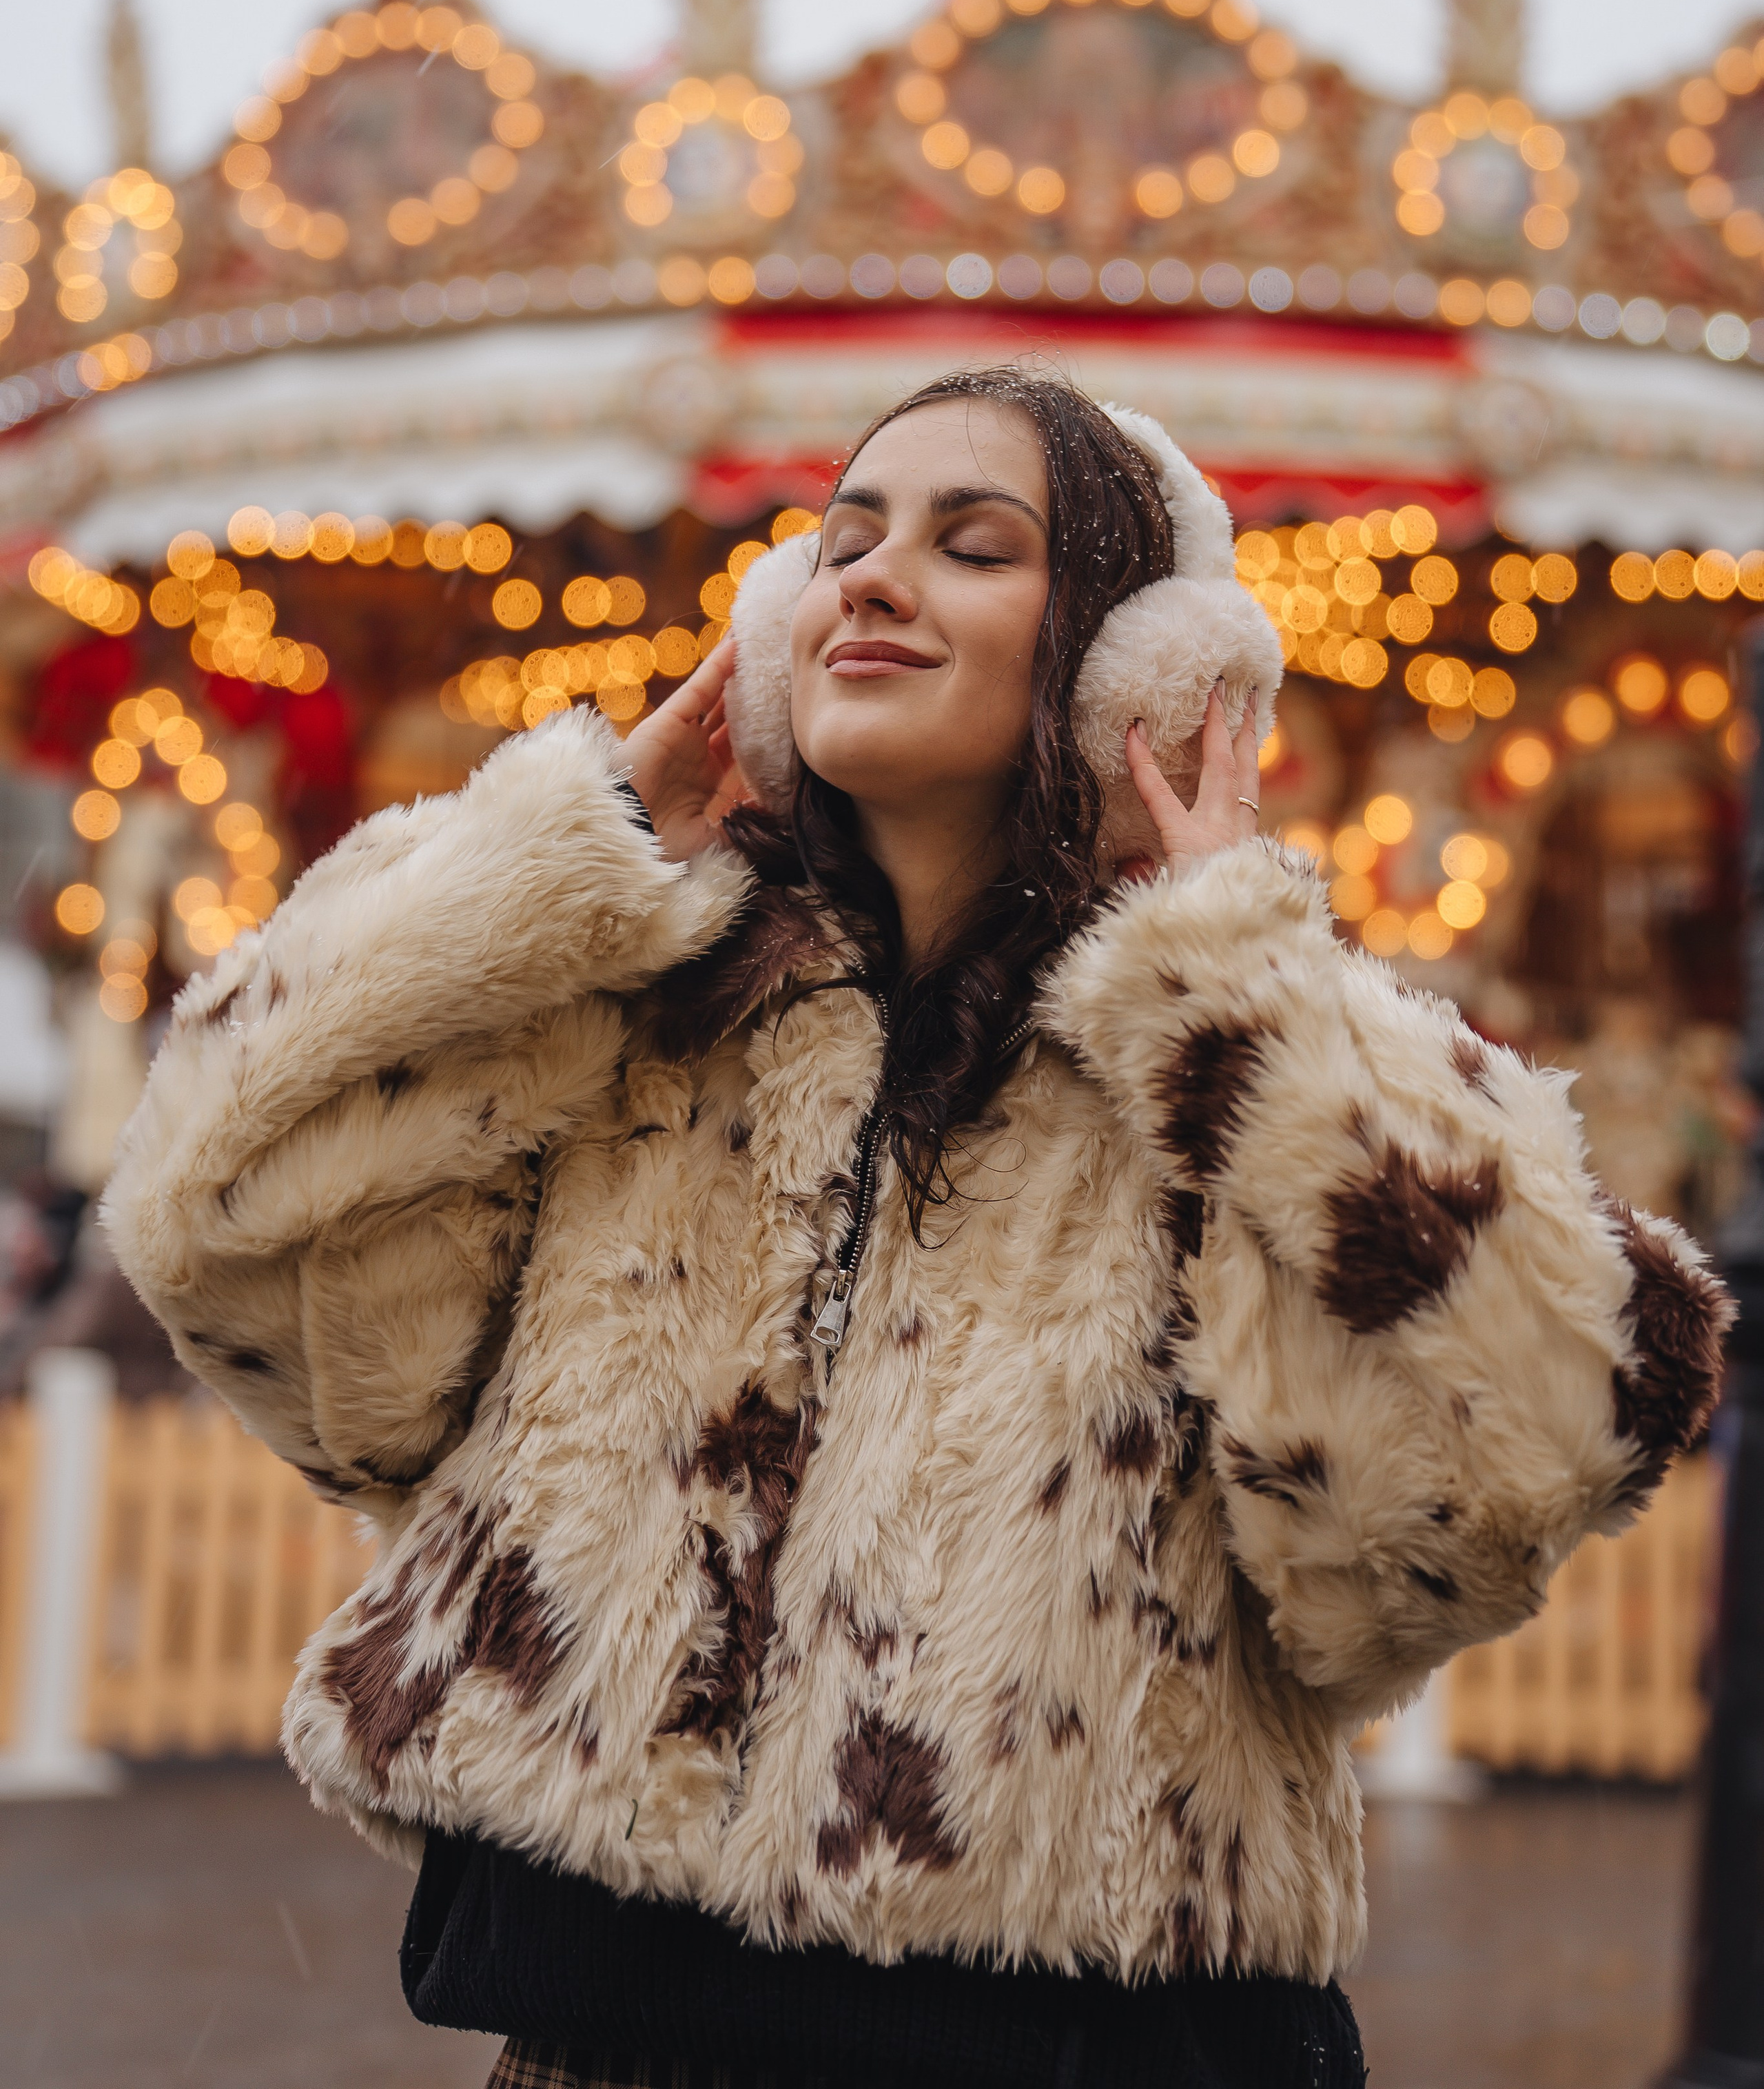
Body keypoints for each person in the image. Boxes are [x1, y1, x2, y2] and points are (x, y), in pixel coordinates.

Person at [103, 369, 1728, 2089]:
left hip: (1085, 2052)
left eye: (972, 546)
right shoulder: (634, 1024)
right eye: (842, 539)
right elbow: (215, 1217)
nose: (868, 580)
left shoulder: (1232, 1063)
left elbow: (1511, 1467)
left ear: (1127, 663)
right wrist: (554, 868)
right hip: (605, 2041)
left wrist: (1243, 993)